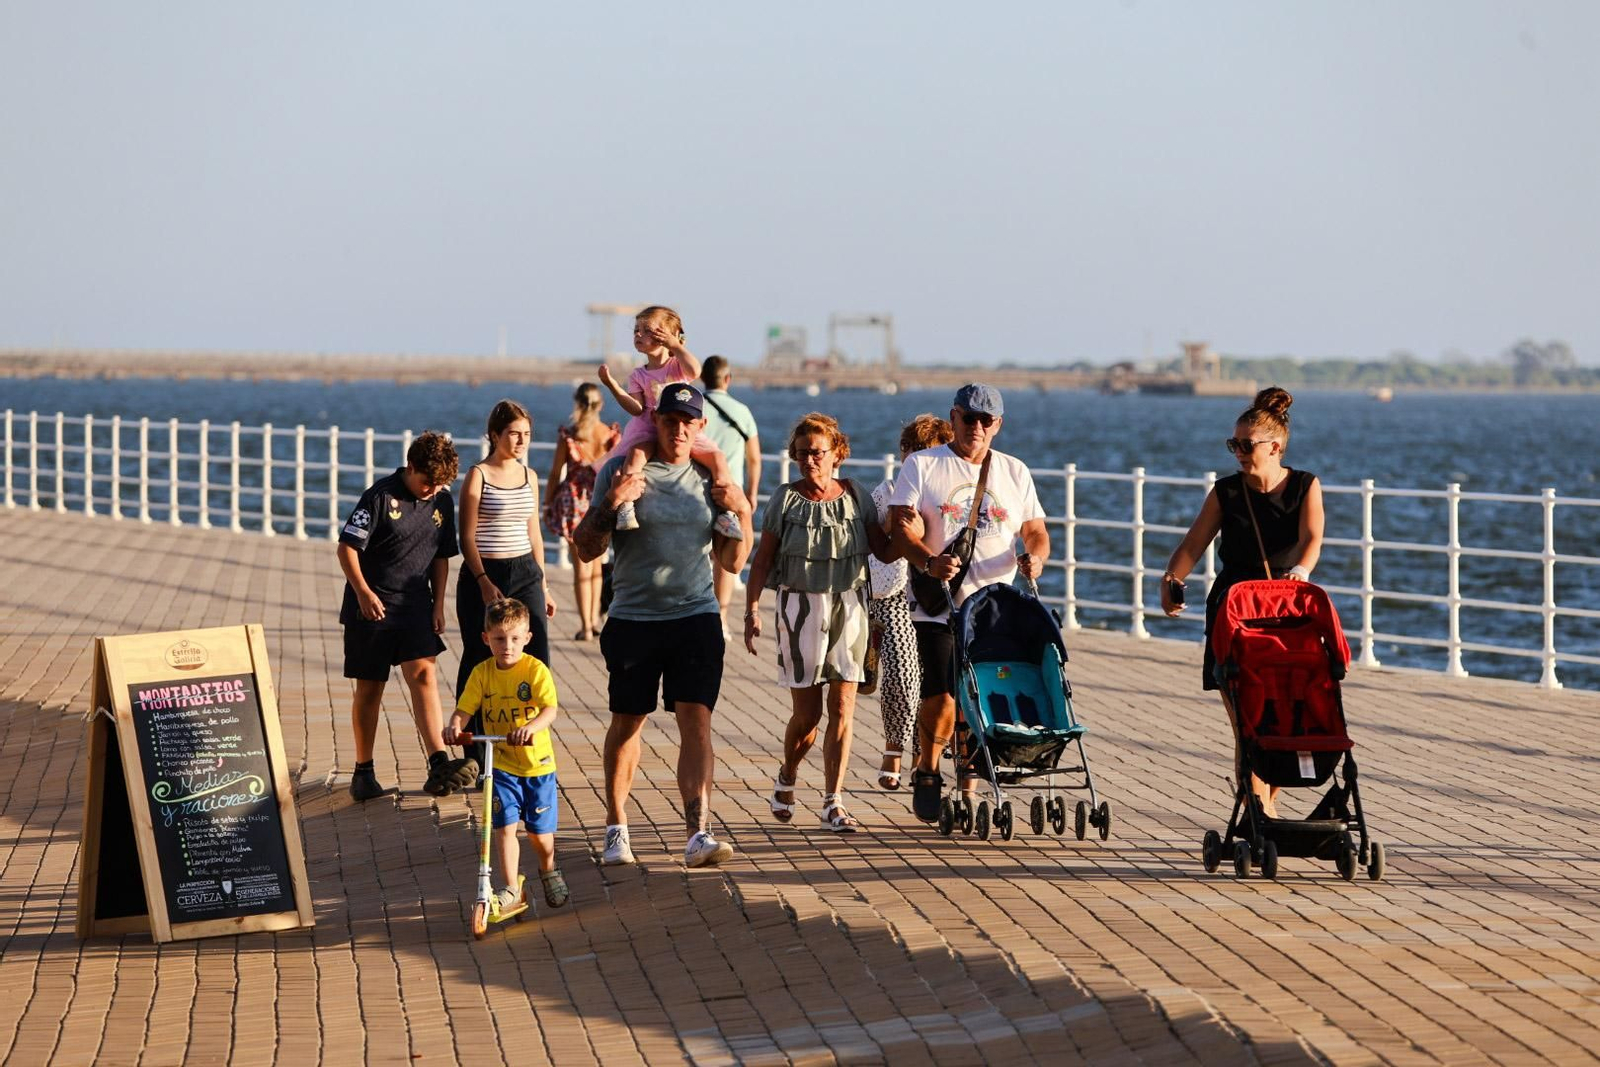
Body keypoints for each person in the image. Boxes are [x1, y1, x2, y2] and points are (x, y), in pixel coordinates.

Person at [573, 382, 753, 868]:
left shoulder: (711, 476)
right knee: (628, 722)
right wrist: (612, 502)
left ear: (700, 426)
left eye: (686, 422)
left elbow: (734, 561)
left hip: (695, 616)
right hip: (634, 617)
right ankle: (616, 828)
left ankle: (698, 833)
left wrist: (741, 510)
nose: (677, 429)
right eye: (669, 420)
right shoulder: (620, 468)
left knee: (697, 721)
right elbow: (585, 548)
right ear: (656, 421)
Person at [1160, 386, 1325, 819]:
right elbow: (1193, 544)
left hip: (1284, 614)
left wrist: (1302, 572)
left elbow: (1312, 540)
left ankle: (1265, 806)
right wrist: (1172, 579)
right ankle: (1259, 812)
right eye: (1233, 444)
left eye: (1245, 444)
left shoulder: (1306, 486)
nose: (1237, 452)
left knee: (1281, 716)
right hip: (1233, 613)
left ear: (1276, 446)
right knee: (1247, 723)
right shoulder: (1226, 492)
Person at [888, 383, 1049, 822]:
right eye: (969, 418)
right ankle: (926, 768)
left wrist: (1034, 556)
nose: (976, 428)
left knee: (982, 699)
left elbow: (1035, 530)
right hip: (938, 605)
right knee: (942, 697)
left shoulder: (1015, 472)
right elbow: (899, 526)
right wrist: (927, 561)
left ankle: (970, 788)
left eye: (987, 420)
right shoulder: (923, 465)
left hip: (993, 609)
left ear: (998, 425)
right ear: (953, 417)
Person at [743, 413, 889, 832]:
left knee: (842, 706)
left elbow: (884, 551)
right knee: (807, 717)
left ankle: (833, 801)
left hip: (851, 605)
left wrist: (915, 530)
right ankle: (788, 773)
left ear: (836, 453)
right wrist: (752, 609)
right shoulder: (785, 500)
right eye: (803, 453)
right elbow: (763, 561)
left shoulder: (857, 496)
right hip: (799, 608)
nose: (810, 461)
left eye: (818, 453)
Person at [337, 430, 477, 801]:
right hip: (373, 604)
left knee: (425, 674)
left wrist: (438, 604)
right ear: (410, 467)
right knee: (370, 689)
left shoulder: (442, 502)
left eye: (440, 483)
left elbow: (442, 557)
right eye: (426, 481)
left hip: (416, 603)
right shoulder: (380, 497)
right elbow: (347, 549)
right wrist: (363, 593)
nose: (432, 489)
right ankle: (363, 771)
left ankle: (438, 762)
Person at [444, 598, 567, 915]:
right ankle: (511, 887)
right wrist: (455, 726)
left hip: (536, 765)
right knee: (504, 827)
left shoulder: (534, 670)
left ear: (527, 637)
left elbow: (550, 709)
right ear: (486, 638)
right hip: (501, 765)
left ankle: (548, 867)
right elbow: (465, 709)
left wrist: (530, 727)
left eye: (514, 639)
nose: (507, 646)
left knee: (539, 835)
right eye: (499, 639)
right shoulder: (482, 673)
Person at [596, 305, 742, 541]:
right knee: (634, 457)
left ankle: (727, 513)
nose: (638, 335)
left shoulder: (676, 366)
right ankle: (626, 507)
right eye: (636, 330)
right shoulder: (638, 375)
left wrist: (675, 345)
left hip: (679, 428)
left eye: (646, 330)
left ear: (666, 334)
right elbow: (636, 408)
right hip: (647, 427)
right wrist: (612, 385)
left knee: (717, 458)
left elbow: (695, 370)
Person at [869, 414, 953, 790]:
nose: (917, 460)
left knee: (931, 685)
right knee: (903, 676)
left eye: (928, 453)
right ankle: (893, 749)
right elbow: (873, 538)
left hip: (932, 599)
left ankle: (924, 757)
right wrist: (899, 526)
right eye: (912, 451)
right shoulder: (887, 493)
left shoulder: (945, 497)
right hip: (891, 594)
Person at [456, 400, 555, 700]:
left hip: (525, 572)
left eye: (527, 433)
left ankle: (532, 735)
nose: (522, 440)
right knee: (480, 655)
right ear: (495, 435)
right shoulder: (478, 475)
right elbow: (466, 537)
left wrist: (544, 586)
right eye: (514, 433)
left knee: (536, 655)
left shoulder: (530, 477)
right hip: (485, 572)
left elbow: (534, 534)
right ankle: (472, 740)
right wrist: (483, 581)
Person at [543, 383, 620, 641]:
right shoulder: (609, 435)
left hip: (573, 503)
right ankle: (596, 620)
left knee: (580, 567)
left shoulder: (570, 435)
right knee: (597, 565)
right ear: (600, 405)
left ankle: (586, 625)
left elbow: (555, 473)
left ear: (577, 402)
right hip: (599, 502)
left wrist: (547, 503)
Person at [699, 355, 762, 634]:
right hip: (730, 492)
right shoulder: (742, 411)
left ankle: (696, 610)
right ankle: (720, 618)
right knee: (724, 558)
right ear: (728, 379)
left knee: (698, 553)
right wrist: (750, 494)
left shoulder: (695, 406)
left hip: (698, 488)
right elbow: (755, 459)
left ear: (702, 378)